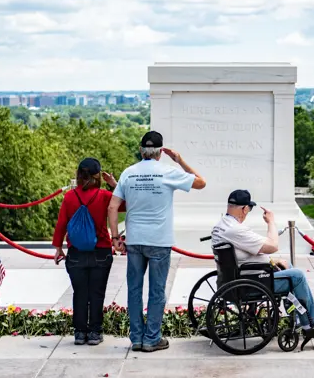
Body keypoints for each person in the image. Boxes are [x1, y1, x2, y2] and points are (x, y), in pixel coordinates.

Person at [108, 131, 206, 353]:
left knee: (134, 290)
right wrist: (179, 160)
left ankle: (136, 338)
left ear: (141, 150)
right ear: (161, 152)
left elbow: (112, 206)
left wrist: (115, 237)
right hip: (159, 240)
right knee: (156, 291)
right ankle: (152, 338)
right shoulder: (168, 172)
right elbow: (201, 182)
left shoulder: (128, 173)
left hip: (134, 239)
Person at [211, 189, 314, 337]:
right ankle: (311, 324)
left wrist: (272, 261)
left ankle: (299, 319)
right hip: (251, 282)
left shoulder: (221, 226)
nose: (248, 212)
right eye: (250, 209)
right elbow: (272, 246)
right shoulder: (236, 230)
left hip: (237, 277)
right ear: (244, 208)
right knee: (297, 276)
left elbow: (246, 254)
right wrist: (271, 221)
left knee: (287, 266)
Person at [53, 158, 118, 346]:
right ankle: (95, 333)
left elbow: (61, 224)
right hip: (101, 250)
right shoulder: (105, 195)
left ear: (79, 175)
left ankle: (80, 333)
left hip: (76, 252)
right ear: (98, 176)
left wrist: (58, 248)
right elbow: (124, 204)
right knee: (97, 293)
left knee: (80, 292)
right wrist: (114, 184)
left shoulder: (70, 197)